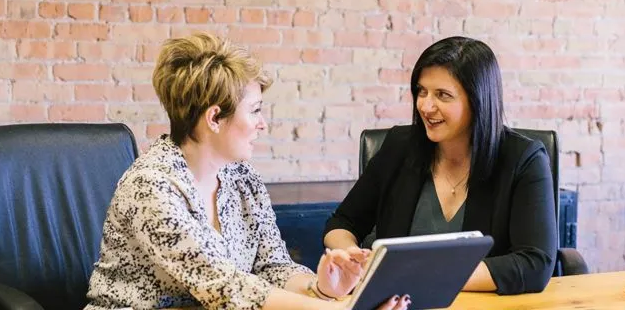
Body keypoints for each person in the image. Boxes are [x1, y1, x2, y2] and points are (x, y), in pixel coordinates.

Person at [85, 32, 410, 310]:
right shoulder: (151, 187)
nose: (262, 123)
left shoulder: (242, 178)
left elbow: (272, 267)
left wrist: (324, 290)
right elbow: (223, 286)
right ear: (214, 118)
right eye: (254, 110)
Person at [323, 36, 558, 295]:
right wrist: (350, 255)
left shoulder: (523, 159)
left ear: (478, 101)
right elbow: (342, 223)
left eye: (442, 95)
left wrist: (420, 276)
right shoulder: (399, 147)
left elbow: (535, 264)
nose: (425, 106)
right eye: (421, 91)